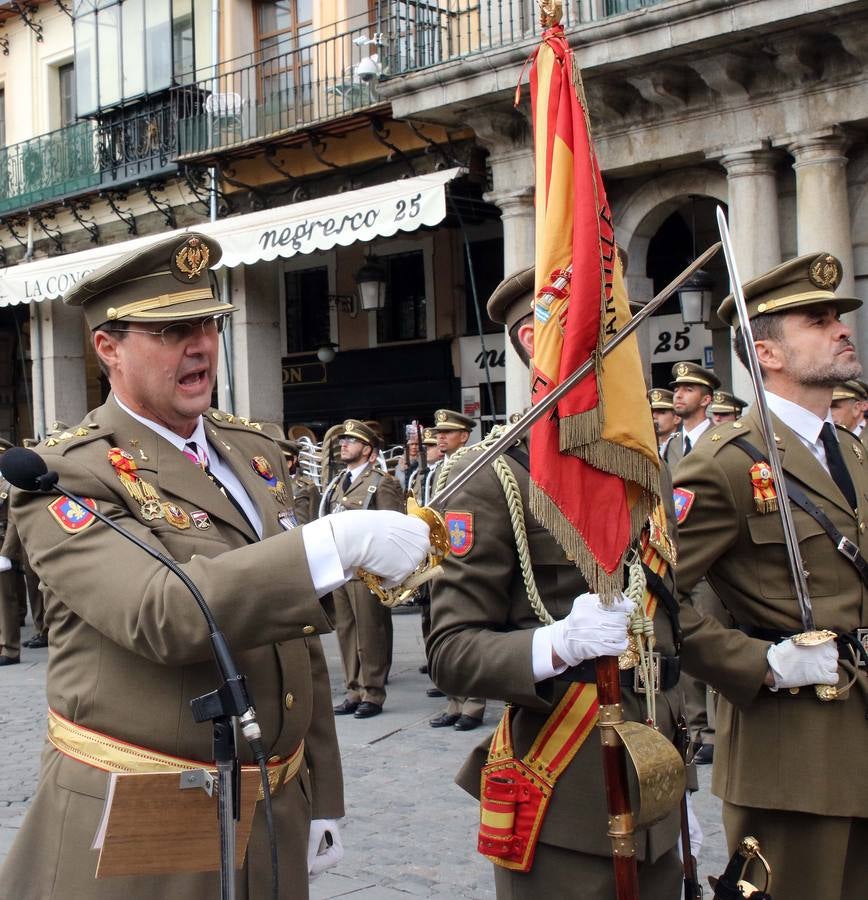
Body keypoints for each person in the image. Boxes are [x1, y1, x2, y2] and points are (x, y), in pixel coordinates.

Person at [0, 233, 431, 900]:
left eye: (206, 323)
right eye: (170, 330)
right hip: (149, 818)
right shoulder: (65, 475)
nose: (199, 344)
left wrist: (322, 791)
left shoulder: (251, 450)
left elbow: (293, 635)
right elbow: (161, 614)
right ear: (108, 348)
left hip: (272, 799)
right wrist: (331, 545)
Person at [428, 265, 685, 897]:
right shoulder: (490, 475)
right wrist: (559, 644)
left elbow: (668, 617)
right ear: (535, 341)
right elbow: (451, 651)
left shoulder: (639, 461)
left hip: (658, 780)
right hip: (563, 793)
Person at [674, 251, 868, 898]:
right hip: (793, 756)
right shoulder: (726, 464)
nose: (842, 329)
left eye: (838, 317)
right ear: (770, 354)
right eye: (818, 320)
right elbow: (642, 599)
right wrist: (762, 663)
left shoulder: (851, 451)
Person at [321, 419, 405, 719]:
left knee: (372, 632)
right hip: (341, 568)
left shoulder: (383, 483)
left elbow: (393, 529)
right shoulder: (337, 482)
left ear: (368, 450)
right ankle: (353, 689)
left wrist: (387, 572)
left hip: (368, 571)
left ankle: (373, 692)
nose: (343, 444)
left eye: (351, 441)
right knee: (346, 630)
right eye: (343, 440)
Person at [428, 409, 487, 731]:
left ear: (464, 436)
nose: (440, 437)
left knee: (468, 630)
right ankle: (454, 701)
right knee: (444, 629)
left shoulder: (475, 464)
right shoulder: (438, 468)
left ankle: (474, 705)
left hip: (465, 557)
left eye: (447, 432)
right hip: (440, 558)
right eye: (438, 432)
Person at [663, 361, 720, 468]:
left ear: (705, 400)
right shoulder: (672, 444)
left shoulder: (721, 440)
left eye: (688, 390)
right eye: (676, 390)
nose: (678, 395)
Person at [648, 388, 681, 454]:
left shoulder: (684, 446)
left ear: (677, 418)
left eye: (662, 412)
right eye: (651, 412)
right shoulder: (647, 446)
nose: (654, 416)